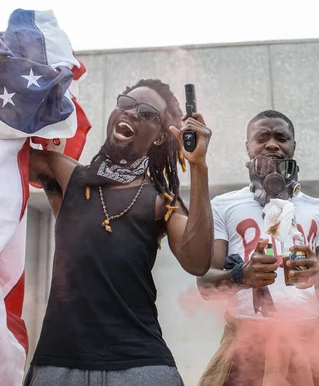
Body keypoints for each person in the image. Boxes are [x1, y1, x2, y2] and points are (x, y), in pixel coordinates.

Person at [24, 79, 214, 386]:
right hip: (59, 365)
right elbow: (11, 150)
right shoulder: (67, 176)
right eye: (125, 103)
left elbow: (198, 261)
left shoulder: (160, 200)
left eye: (147, 113)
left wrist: (199, 168)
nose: (132, 113)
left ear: (161, 137)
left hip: (140, 368)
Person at [196, 110, 319, 386]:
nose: (272, 144)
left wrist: (318, 273)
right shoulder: (223, 206)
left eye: (282, 138)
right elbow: (205, 284)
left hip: (312, 342)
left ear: (293, 146)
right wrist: (241, 276)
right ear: (247, 146)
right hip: (246, 347)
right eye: (262, 138)